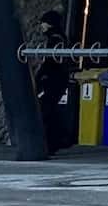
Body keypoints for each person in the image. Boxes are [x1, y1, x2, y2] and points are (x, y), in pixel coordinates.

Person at [28, 9, 76, 154]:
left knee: (47, 109)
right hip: (58, 78)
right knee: (51, 109)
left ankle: (55, 140)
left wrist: (40, 77)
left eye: (43, 23)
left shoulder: (55, 39)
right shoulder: (60, 37)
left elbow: (50, 62)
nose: (41, 26)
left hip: (54, 78)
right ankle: (58, 139)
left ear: (49, 24)